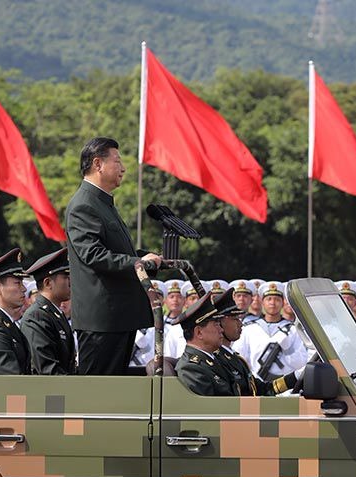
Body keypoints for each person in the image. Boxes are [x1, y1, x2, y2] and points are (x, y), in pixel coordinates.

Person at [65, 137, 161, 375]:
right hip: (102, 321)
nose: (123, 168)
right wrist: (139, 263)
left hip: (116, 318)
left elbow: (116, 252)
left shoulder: (102, 203)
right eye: (117, 161)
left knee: (113, 391)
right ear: (98, 164)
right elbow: (94, 255)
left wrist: (145, 258)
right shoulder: (84, 204)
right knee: (98, 394)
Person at [211, 291, 299, 396]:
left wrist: (297, 376)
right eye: (235, 319)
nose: (240, 324)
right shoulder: (216, 359)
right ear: (219, 324)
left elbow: (261, 389)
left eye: (239, 319)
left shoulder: (235, 358)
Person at [233, 282, 307, 382]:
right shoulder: (249, 329)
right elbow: (240, 357)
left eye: (277, 300)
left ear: (283, 303)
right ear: (262, 302)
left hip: (285, 386)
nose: (273, 303)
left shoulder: (293, 330)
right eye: (269, 299)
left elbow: (302, 362)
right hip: (256, 383)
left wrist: (287, 350)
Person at [21, 248, 77, 375]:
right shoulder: (37, 316)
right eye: (66, 277)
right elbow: (47, 369)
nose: (70, 282)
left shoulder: (55, 314)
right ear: (47, 283)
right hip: (50, 393)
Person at [175, 293, 237, 395]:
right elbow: (210, 408)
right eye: (216, 324)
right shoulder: (191, 368)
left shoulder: (216, 360)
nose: (221, 329)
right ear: (199, 332)